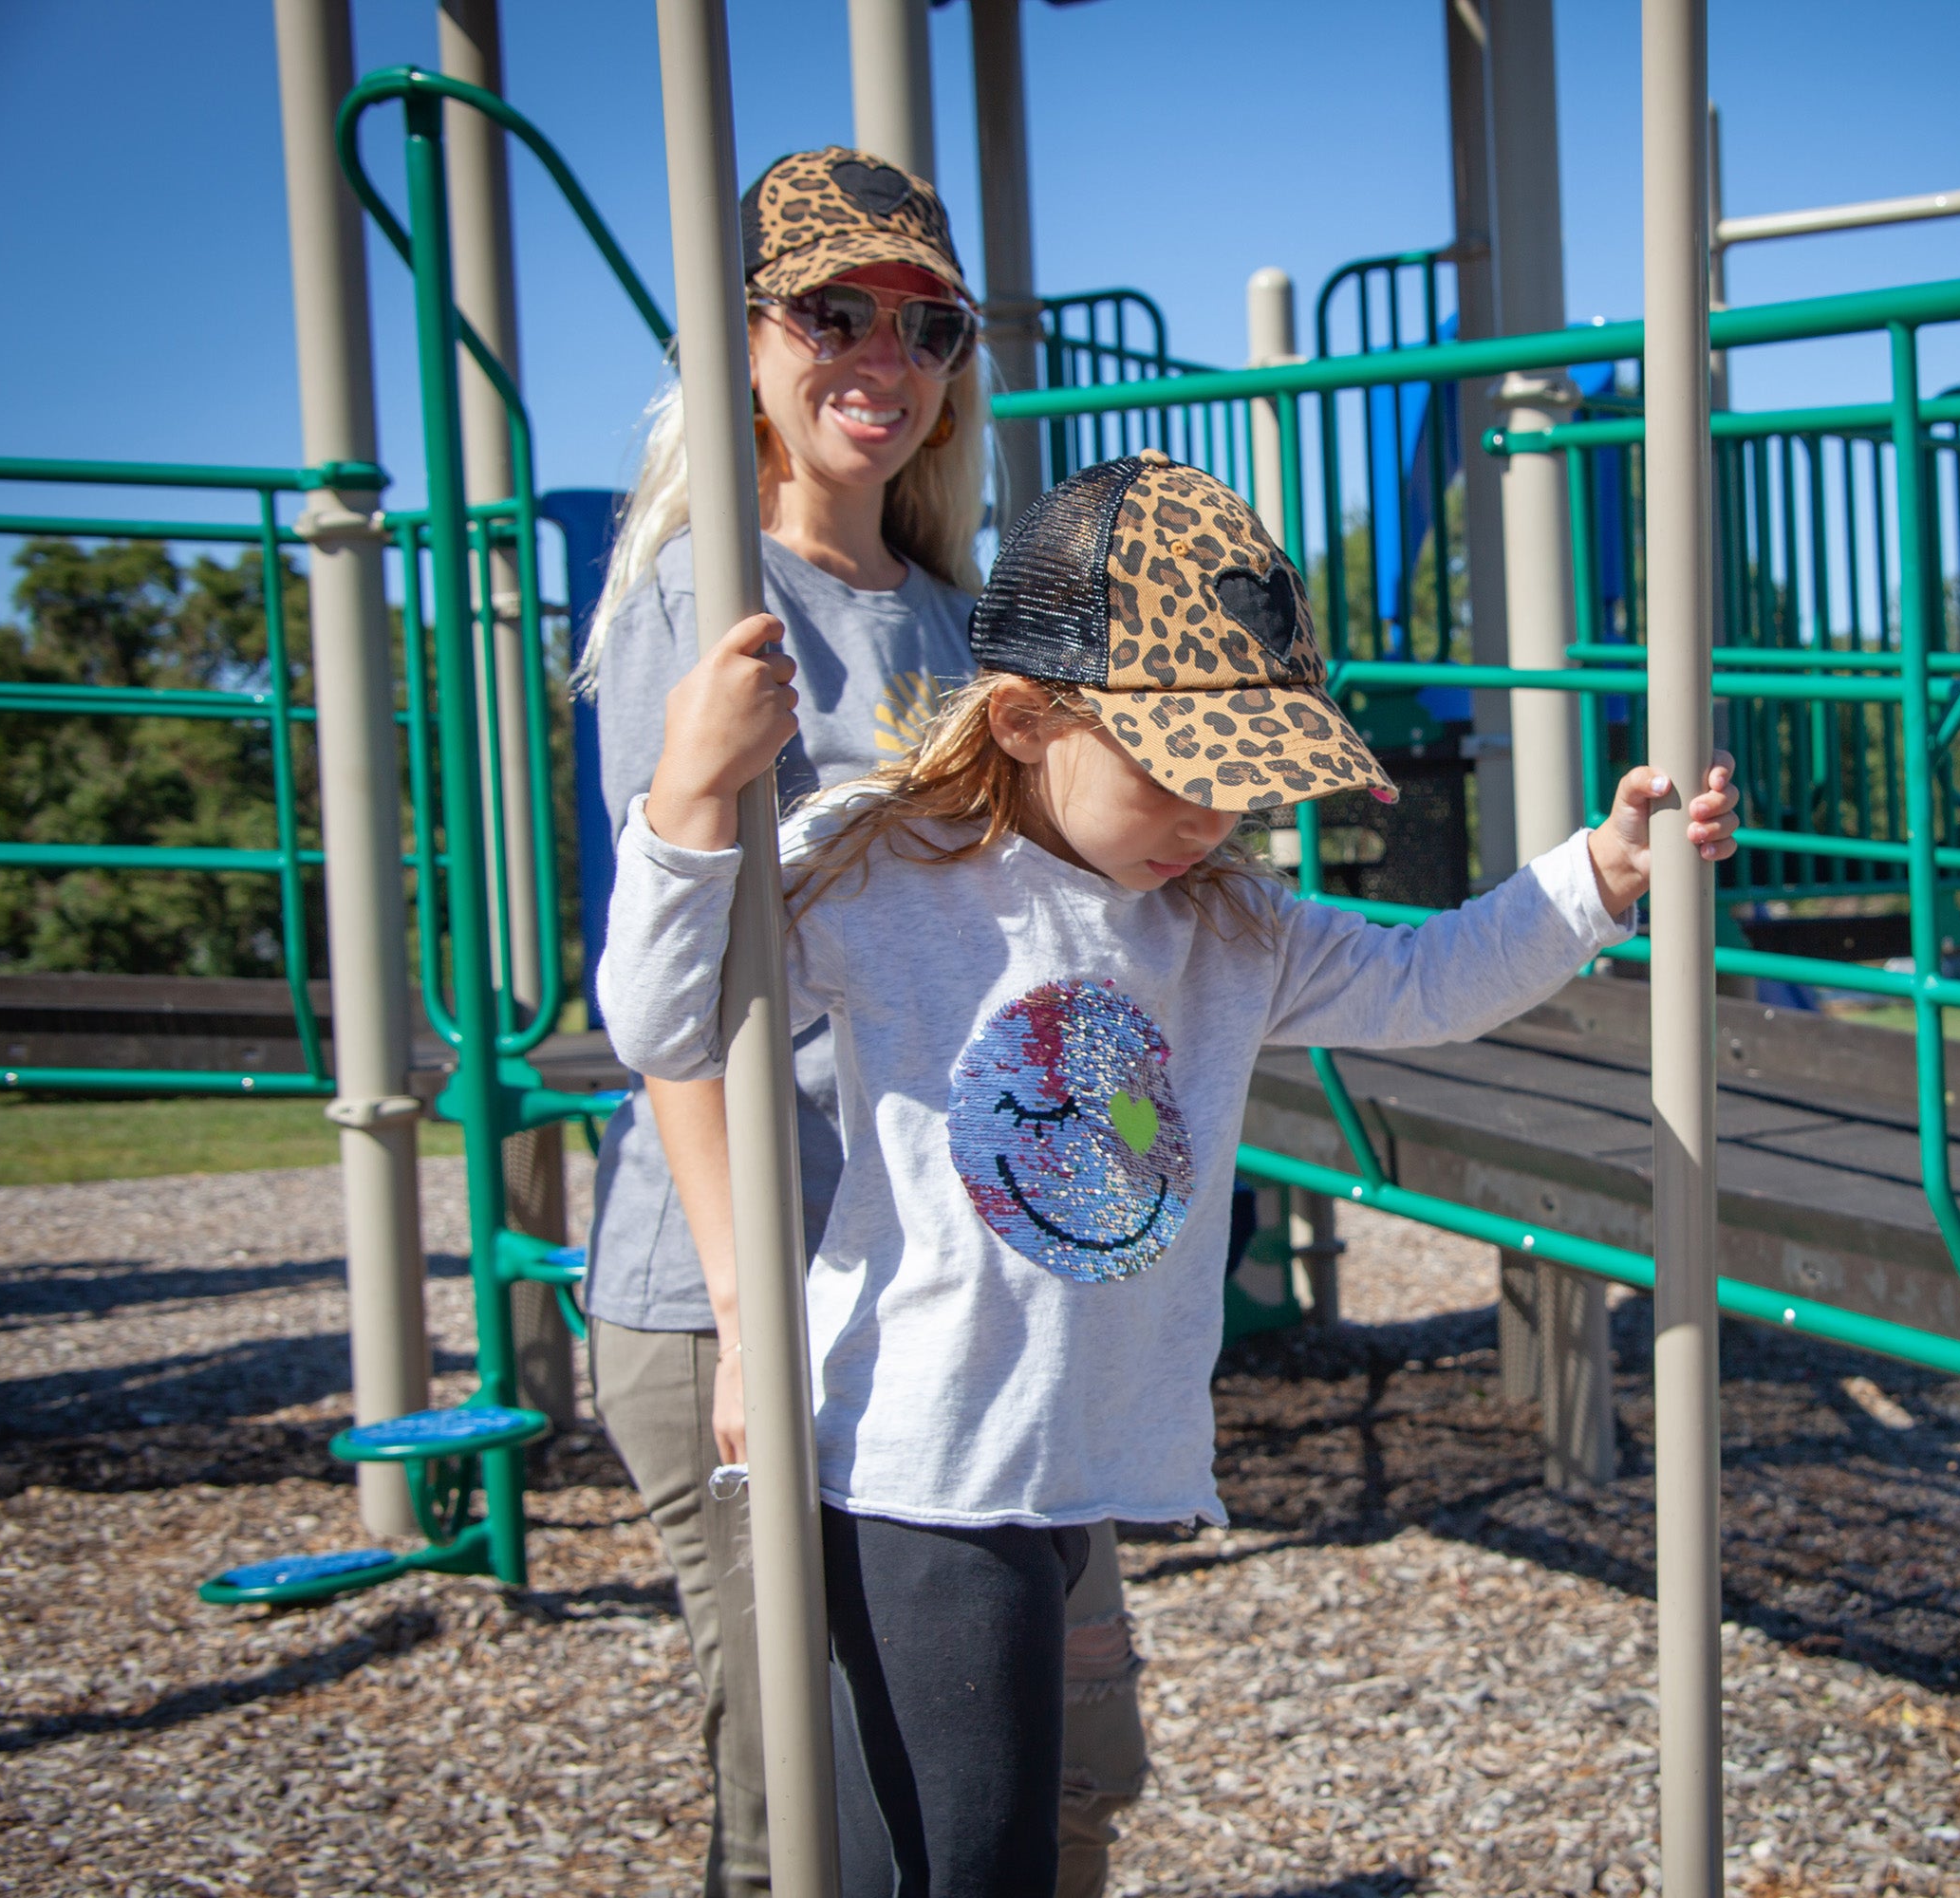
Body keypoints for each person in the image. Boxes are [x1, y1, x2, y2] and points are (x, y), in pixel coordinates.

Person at [598, 449, 1743, 1895]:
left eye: (1246, 789)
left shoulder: (1220, 920)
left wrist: (1603, 868)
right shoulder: (885, 866)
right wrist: (693, 805)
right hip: (912, 1467)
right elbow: (666, 1018)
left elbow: (1425, 983)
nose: (1215, 820)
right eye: (1185, 777)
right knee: (958, 1856)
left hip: (1057, 1465)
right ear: (1022, 716)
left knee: (977, 1845)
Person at [573, 148, 1144, 1898]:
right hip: (756, 1284)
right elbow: (681, 1008)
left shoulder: (959, 621)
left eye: (928, 325)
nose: (882, 359)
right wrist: (752, 1317)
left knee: (1061, 1767)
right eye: (833, 312)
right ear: (742, 338)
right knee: (819, 1814)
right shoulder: (705, 599)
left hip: (949, 1286)